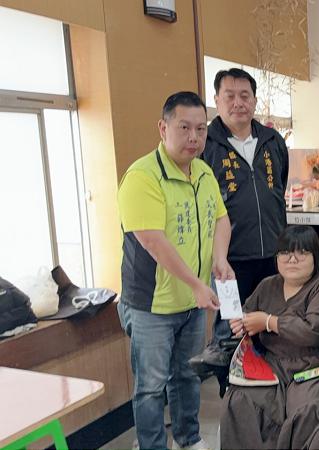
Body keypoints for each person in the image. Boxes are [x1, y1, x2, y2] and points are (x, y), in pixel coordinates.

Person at [116, 91, 234, 450]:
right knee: (151, 386)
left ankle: (188, 438)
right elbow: (153, 240)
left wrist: (220, 258)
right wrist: (197, 284)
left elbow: (221, 219)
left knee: (186, 376)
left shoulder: (203, 172)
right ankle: (152, 445)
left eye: (201, 129)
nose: (194, 137)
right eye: (184, 128)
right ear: (163, 127)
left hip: (191, 303)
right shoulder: (143, 176)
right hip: (151, 305)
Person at [219, 225, 319, 449]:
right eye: (285, 253)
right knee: (240, 399)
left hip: (315, 366)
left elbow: (312, 332)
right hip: (273, 365)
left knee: (305, 411)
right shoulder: (268, 285)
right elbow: (247, 314)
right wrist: (241, 323)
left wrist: (269, 321)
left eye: (302, 252)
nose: (292, 259)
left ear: (316, 257)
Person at [196, 68, 289, 366]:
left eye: (245, 96)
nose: (238, 103)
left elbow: (279, 187)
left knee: (272, 329)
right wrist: (217, 256)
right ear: (216, 100)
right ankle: (231, 391)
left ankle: (273, 388)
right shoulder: (205, 145)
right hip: (229, 261)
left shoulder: (272, 141)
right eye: (230, 96)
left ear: (254, 101)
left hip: (273, 257)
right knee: (231, 334)